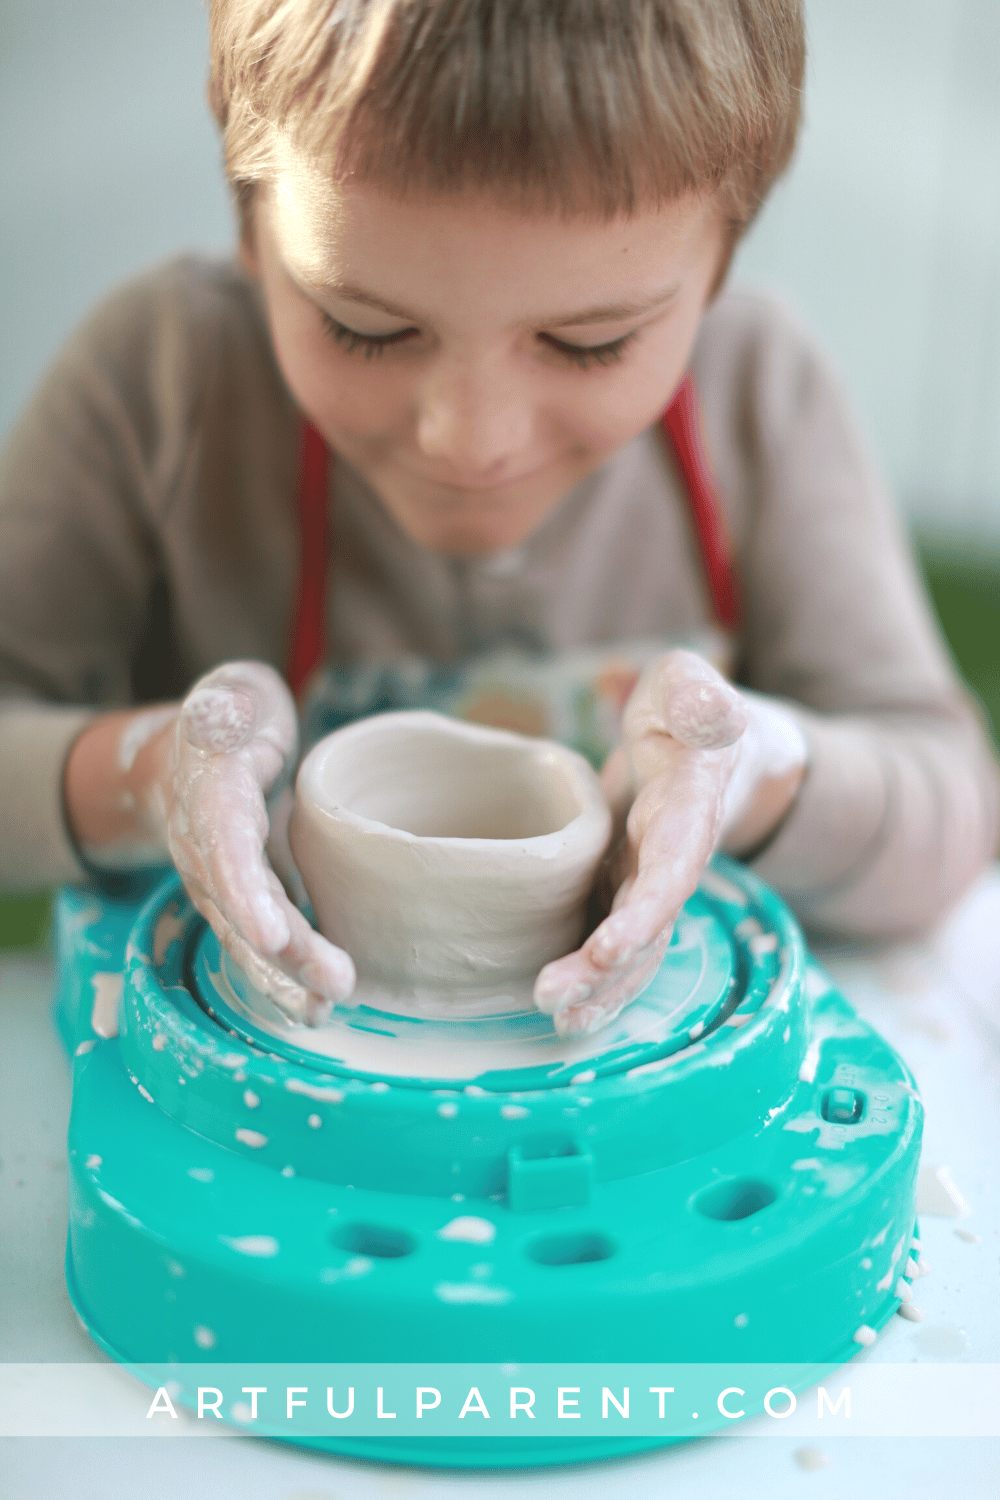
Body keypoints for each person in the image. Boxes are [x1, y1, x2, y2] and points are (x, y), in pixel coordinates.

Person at [0, 0, 996, 1041]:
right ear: (250, 223)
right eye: (364, 327)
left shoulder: (760, 398)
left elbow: (950, 811)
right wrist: (152, 771)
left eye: (589, 342)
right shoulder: (162, 381)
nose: (468, 440)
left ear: (718, 270)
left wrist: (751, 769)